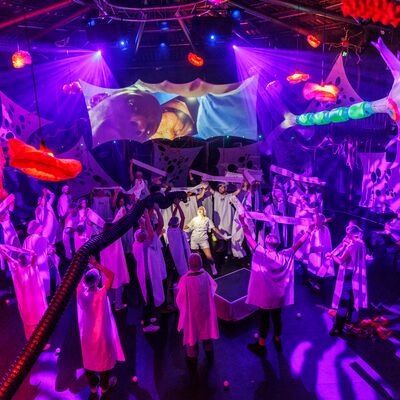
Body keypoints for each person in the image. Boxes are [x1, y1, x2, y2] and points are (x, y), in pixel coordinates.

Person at [241, 214, 312, 356]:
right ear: (278, 244)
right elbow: (299, 244)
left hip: (265, 297)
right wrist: (309, 231)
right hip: (279, 296)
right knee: (277, 318)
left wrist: (243, 221)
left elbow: (248, 237)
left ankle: (261, 345)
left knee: (264, 319)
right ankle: (277, 339)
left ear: (266, 243)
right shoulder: (285, 255)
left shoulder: (261, 253)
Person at [77, 256, 124, 397]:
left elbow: (78, 280)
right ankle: (104, 387)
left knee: (89, 358)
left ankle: (92, 387)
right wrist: (96, 264)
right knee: (104, 359)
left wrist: (82, 266)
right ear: (97, 281)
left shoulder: (81, 294)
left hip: (87, 334)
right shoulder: (102, 293)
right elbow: (111, 275)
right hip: (102, 333)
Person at [0, 244, 49, 345]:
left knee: (29, 322)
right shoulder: (32, 268)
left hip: (26, 303)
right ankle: (39, 344)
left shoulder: (16, 268)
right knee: (37, 322)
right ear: (27, 260)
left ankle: (31, 342)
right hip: (36, 303)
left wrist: (2, 250)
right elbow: (34, 255)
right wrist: (27, 251)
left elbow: (7, 258)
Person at [176, 253, 219, 365]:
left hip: (192, 315)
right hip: (205, 312)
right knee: (207, 334)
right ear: (200, 263)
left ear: (189, 264)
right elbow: (213, 288)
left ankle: (192, 360)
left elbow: (179, 299)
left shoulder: (185, 279)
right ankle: (210, 356)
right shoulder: (205, 275)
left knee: (192, 335)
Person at [328, 224, 368, 336]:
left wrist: (331, 256)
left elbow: (341, 261)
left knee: (343, 301)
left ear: (352, 234)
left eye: (348, 233)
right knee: (352, 298)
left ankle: (338, 327)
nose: (346, 235)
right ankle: (350, 321)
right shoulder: (361, 243)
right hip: (356, 275)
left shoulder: (353, 246)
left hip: (349, 275)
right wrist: (345, 244)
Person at [132, 207, 167, 332]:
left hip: (145, 276)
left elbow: (147, 227)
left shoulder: (139, 244)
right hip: (147, 277)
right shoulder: (146, 243)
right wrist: (148, 213)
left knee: (146, 298)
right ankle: (147, 324)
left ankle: (146, 318)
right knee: (148, 299)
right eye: (143, 233)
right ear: (141, 237)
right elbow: (154, 229)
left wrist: (138, 211)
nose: (146, 233)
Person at [185, 206, 227, 276]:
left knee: (209, 256)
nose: (199, 211)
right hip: (194, 239)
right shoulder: (194, 219)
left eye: (201, 210)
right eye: (199, 210)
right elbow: (188, 226)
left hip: (203, 239)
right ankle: (199, 270)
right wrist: (179, 227)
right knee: (196, 257)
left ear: (204, 212)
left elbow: (214, 228)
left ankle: (213, 268)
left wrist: (222, 236)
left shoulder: (207, 220)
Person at [23, 220, 60, 298]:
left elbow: (24, 254)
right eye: (40, 226)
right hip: (44, 267)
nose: (41, 227)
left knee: (39, 288)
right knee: (50, 286)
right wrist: (53, 249)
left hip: (34, 268)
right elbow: (50, 252)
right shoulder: (43, 239)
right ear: (36, 228)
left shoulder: (27, 240)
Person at [100, 223, 130, 311]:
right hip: (116, 264)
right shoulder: (116, 238)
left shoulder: (102, 239)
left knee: (110, 284)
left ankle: (109, 304)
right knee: (118, 284)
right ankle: (118, 304)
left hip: (107, 265)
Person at [305, 213, 334, 291]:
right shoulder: (315, 228)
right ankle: (313, 283)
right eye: (313, 219)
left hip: (321, 253)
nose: (314, 221)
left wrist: (316, 212)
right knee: (313, 268)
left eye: (315, 219)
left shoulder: (324, 228)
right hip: (314, 252)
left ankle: (318, 285)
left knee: (320, 270)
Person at [167, 200, 190, 277]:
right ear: (177, 224)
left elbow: (173, 215)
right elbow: (183, 217)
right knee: (185, 264)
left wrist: (176, 206)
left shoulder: (169, 229)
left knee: (178, 264)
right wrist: (178, 205)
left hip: (174, 251)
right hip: (182, 250)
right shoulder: (178, 230)